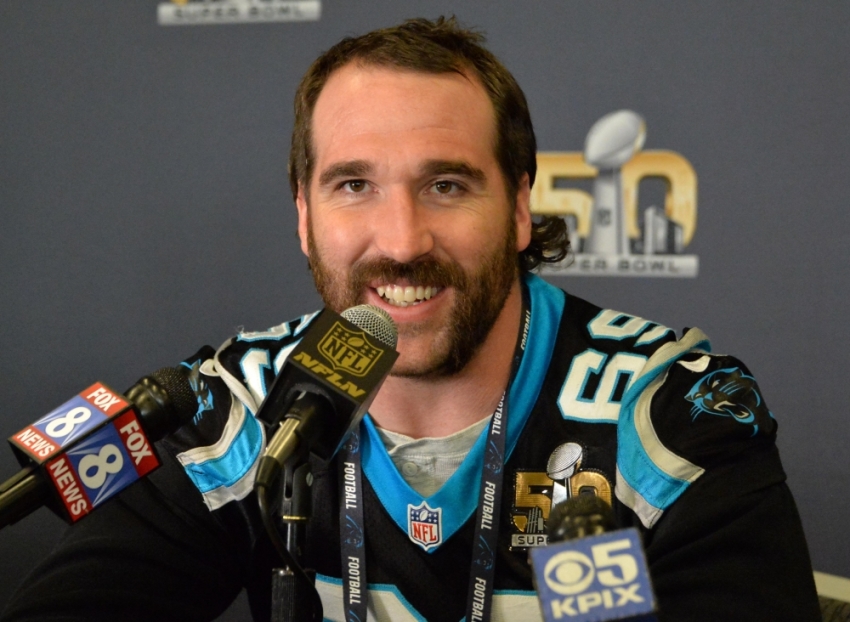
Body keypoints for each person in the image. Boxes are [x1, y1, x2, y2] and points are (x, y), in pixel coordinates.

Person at [1, 16, 820, 622]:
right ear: (303, 214)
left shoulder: (671, 417)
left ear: (522, 208)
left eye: (448, 185)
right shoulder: (236, 411)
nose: (401, 241)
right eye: (354, 185)